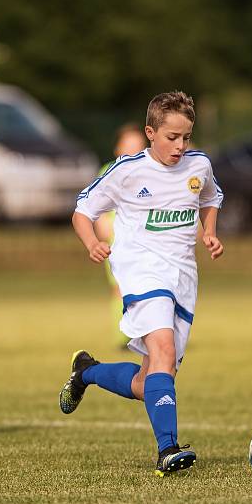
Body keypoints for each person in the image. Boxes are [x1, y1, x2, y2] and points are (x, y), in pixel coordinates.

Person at [60, 91, 224, 476]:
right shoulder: (127, 170)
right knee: (164, 352)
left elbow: (212, 197)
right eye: (171, 138)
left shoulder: (199, 165)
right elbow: (82, 212)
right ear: (151, 133)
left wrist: (209, 232)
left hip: (183, 276)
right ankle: (168, 449)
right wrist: (92, 243)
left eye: (186, 137)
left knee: (148, 381)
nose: (180, 146)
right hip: (141, 271)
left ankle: (86, 372)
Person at [94, 123, 147, 348]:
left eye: (137, 146)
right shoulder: (108, 171)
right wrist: (101, 225)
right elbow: (95, 205)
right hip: (117, 241)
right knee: (120, 287)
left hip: (145, 241)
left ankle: (146, 331)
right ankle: (124, 335)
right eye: (128, 146)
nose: (133, 151)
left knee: (146, 286)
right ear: (118, 149)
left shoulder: (151, 171)